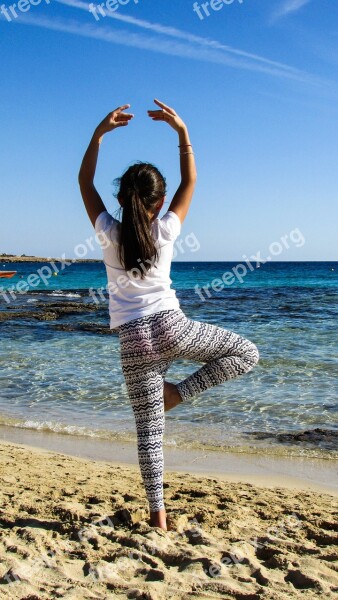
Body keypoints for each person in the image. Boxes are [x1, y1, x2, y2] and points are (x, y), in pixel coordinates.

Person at [78, 99, 259, 531]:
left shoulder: (108, 232)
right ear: (158, 204)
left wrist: (98, 134)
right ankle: (177, 395)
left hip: (133, 341)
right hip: (171, 327)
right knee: (245, 353)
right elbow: (190, 180)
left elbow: (83, 179)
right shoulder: (166, 229)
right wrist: (182, 133)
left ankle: (158, 516)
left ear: (122, 199)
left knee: (149, 432)